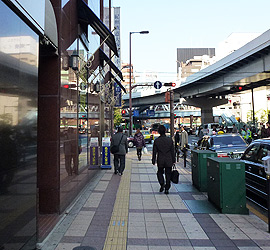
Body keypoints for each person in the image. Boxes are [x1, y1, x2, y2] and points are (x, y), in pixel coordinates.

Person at [152, 125, 175, 195]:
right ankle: (167, 188)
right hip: (168, 159)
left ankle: (162, 183)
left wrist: (153, 160)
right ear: (165, 131)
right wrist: (173, 160)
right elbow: (172, 151)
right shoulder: (169, 140)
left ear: (159, 132)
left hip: (160, 159)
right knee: (168, 174)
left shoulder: (157, 141)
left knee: (159, 172)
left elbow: (154, 152)